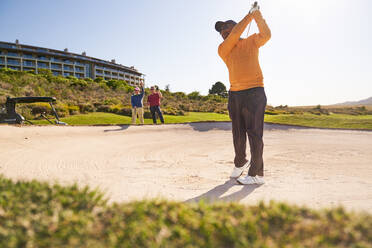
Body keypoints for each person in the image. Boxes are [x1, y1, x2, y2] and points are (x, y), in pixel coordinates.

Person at [215, 5, 271, 185]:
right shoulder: (224, 48)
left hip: (255, 92)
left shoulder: (251, 41)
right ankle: (240, 163)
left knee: (254, 134)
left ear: (235, 27)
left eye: (226, 28)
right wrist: (249, 15)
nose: (223, 32)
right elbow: (234, 35)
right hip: (235, 94)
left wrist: (257, 15)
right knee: (237, 132)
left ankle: (257, 174)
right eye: (221, 30)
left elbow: (266, 34)